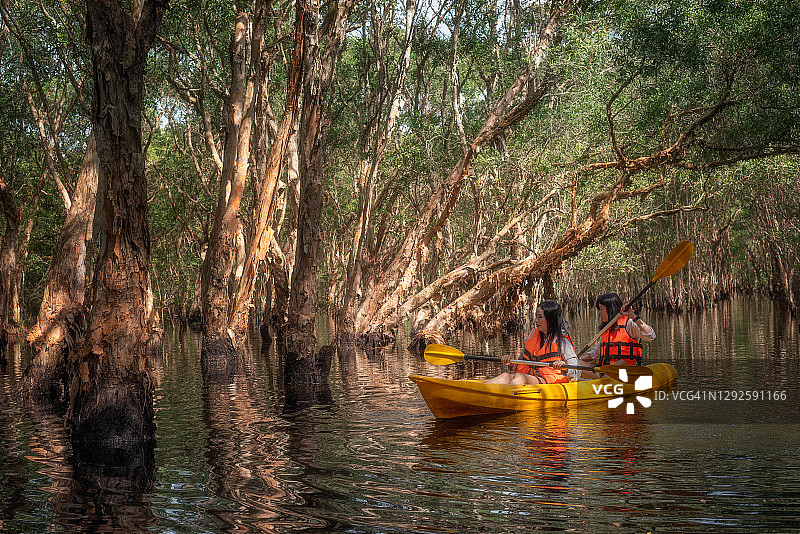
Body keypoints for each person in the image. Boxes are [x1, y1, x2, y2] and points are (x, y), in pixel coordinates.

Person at [485, 301, 580, 385]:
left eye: (540, 317)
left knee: (520, 378)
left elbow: (576, 371)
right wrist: (510, 363)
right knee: (506, 376)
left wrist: (564, 367)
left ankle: (506, 394)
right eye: (536, 317)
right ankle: (483, 389)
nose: (536, 320)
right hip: (530, 377)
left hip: (548, 382)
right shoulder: (532, 338)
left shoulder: (563, 342)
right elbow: (520, 365)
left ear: (551, 319)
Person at [579, 292, 655, 377]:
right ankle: (601, 379)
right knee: (576, 362)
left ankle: (603, 380)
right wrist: (578, 359)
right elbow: (595, 353)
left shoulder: (629, 324)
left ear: (610, 309)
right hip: (605, 373)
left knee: (621, 363)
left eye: (601, 309)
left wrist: (633, 316)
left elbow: (650, 336)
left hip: (628, 374)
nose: (599, 313)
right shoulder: (606, 329)